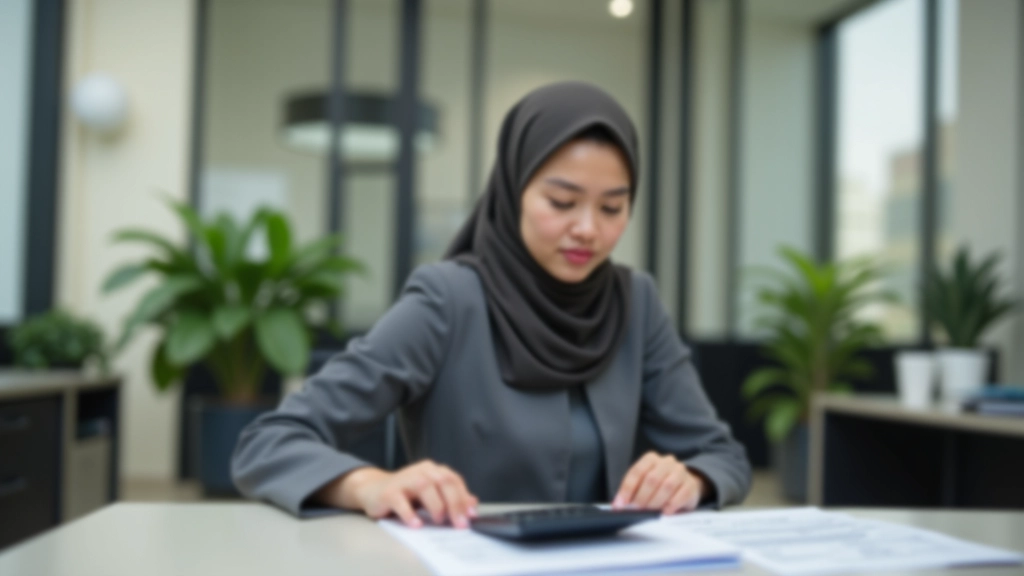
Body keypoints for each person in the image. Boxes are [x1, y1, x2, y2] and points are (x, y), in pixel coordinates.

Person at [232, 81, 751, 529]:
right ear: (513, 191)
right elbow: (269, 441)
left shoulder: (635, 302)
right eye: (562, 202)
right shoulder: (447, 299)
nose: (589, 229)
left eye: (613, 207)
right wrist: (368, 485)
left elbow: (723, 456)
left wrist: (692, 479)